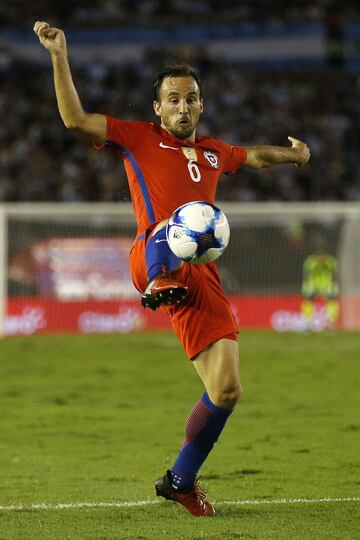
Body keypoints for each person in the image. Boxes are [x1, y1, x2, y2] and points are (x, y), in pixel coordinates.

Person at [34, 21, 311, 517]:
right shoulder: (135, 137)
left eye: (192, 98)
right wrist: (59, 55)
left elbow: (255, 157)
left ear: (201, 105)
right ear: (157, 107)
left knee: (225, 390)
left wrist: (294, 155)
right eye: (174, 99)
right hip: (152, 255)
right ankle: (160, 277)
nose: (183, 106)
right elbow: (75, 119)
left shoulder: (212, 152)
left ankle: (180, 480)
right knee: (173, 225)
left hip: (200, 275)